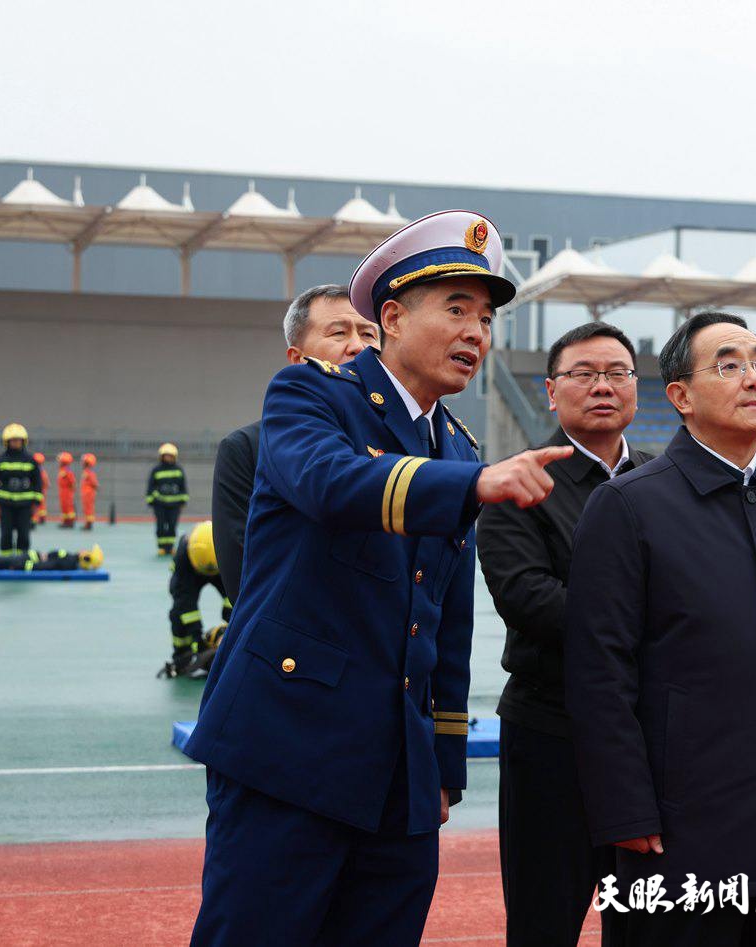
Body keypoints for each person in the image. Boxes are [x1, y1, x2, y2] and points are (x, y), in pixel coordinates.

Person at [185, 210, 573, 945]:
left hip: (401, 776)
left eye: (485, 318)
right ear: (391, 318)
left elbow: (446, 616)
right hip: (287, 749)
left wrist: (444, 763)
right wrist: (470, 485)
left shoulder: (456, 445)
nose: (475, 333)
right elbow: (332, 484)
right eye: (455, 309)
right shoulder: (310, 397)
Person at [565, 311, 756, 947]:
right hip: (682, 831)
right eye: (729, 365)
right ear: (681, 395)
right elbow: (599, 675)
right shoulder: (629, 505)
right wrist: (625, 809)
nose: (755, 378)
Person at [476, 321, 654, 946]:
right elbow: (529, 599)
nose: (603, 386)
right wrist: (653, 624)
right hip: (554, 736)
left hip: (650, 742)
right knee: (544, 921)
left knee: (650, 921)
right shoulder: (520, 482)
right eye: (584, 374)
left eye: (617, 373)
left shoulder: (664, 482)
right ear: (551, 393)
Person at [212, 284, 381, 604]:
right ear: (298, 359)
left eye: (369, 334)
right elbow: (245, 578)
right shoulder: (248, 449)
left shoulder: (409, 440)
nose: (358, 347)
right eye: (339, 333)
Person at [160, 522, 231, 680]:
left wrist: (231, 619)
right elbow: (185, 603)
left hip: (220, 567)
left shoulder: (228, 551)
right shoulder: (183, 558)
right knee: (178, 614)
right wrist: (197, 638)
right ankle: (182, 655)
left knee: (237, 604)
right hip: (191, 571)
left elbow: (238, 593)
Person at [0, 423, 41, 556]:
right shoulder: (0, 460)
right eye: (13, 440)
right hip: (6, 504)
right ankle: (6, 560)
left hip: (25, 505)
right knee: (6, 533)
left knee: (24, 534)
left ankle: (22, 559)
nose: (16, 442)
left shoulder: (31, 460)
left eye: (18, 440)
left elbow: (37, 482)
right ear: (7, 442)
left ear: (23, 441)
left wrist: (37, 501)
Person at [146, 443, 189, 555]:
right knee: (160, 525)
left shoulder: (178, 470)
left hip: (174, 504)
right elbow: (151, 486)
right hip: (160, 504)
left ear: (174, 456)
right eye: (166, 455)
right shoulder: (156, 470)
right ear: (161, 456)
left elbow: (183, 486)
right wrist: (151, 500)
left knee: (172, 525)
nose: (168, 458)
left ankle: (170, 547)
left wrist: (183, 500)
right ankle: (162, 547)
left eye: (170, 456)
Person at [0, 544, 103, 571]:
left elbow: (47, 566)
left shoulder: (69, 562)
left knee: (3, 561)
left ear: (86, 557)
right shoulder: (71, 558)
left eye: (87, 551)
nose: (84, 550)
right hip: (31, 557)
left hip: (26, 560)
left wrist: (19, 565)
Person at [56, 452, 77, 528]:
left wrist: (71, 491)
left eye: (60, 461)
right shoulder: (62, 470)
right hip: (63, 491)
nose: (59, 462)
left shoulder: (67, 470)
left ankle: (70, 522)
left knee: (68, 507)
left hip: (67, 492)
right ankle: (65, 521)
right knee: (64, 507)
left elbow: (72, 482)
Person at [80, 453, 100, 530]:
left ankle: (89, 524)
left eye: (84, 462)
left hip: (88, 494)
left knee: (88, 508)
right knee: (86, 508)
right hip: (86, 493)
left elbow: (94, 483)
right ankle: (87, 522)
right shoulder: (86, 471)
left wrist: (96, 487)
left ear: (87, 463)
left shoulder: (89, 472)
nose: (82, 463)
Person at [31, 452, 48, 525]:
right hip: (41, 490)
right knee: (41, 504)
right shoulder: (42, 471)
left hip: (37, 490)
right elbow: (46, 482)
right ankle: (41, 517)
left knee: (36, 504)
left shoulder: (36, 471)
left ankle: (35, 519)